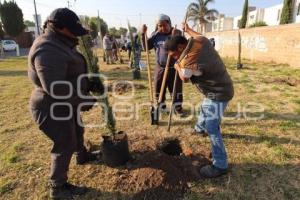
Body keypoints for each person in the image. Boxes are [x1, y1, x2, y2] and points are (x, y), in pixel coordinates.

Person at [28, 8, 101, 199]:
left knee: (77, 130)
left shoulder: (61, 41)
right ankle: (58, 187)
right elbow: (55, 87)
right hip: (51, 107)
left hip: (66, 103)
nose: (76, 33)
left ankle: (82, 155)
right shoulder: (47, 48)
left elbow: (69, 72)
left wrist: (88, 82)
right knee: (65, 142)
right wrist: (84, 99)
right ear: (58, 27)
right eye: (73, 29)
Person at [164, 22, 234, 178]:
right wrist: (188, 29)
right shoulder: (201, 40)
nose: (175, 58)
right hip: (219, 86)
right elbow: (196, 35)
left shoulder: (187, 62)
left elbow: (185, 78)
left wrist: (176, 66)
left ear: (181, 48)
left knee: (212, 127)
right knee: (205, 107)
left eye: (174, 55)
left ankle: (220, 165)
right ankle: (199, 129)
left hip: (219, 92)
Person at [141, 14, 184, 116]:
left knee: (175, 89)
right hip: (160, 67)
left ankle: (177, 108)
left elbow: (183, 48)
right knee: (158, 87)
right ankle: (161, 106)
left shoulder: (177, 33)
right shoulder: (156, 35)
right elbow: (145, 47)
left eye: (164, 25)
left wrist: (175, 38)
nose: (162, 28)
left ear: (169, 23)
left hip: (174, 67)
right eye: (159, 26)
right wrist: (143, 34)